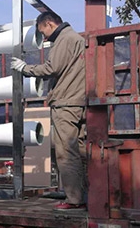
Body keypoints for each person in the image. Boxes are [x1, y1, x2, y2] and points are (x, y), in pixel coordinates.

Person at [11, 11, 87, 210]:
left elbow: (51, 68)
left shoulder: (64, 39)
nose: (43, 37)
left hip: (66, 102)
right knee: (80, 151)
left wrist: (25, 68)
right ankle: (84, 195)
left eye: (42, 32)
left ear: (49, 23)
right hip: (78, 101)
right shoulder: (77, 39)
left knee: (65, 152)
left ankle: (74, 199)